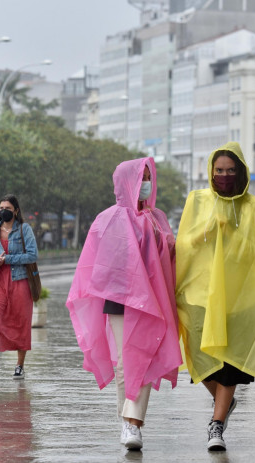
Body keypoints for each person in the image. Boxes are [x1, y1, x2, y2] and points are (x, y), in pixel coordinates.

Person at [175, 142, 255, 451]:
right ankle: (224, 404)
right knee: (198, 356)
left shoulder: (253, 207)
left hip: (238, 300)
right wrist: (208, 231)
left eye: (230, 170)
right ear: (210, 172)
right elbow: (184, 244)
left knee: (228, 363)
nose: (224, 176)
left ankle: (216, 426)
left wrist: (234, 237)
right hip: (199, 296)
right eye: (219, 171)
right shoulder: (197, 201)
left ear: (240, 172)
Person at [66, 158, 180, 451]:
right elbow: (101, 263)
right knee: (123, 364)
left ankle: (134, 422)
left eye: (148, 177)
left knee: (142, 359)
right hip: (119, 299)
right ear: (126, 181)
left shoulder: (157, 217)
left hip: (152, 301)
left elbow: (168, 256)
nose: (145, 183)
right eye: (140, 177)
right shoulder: (109, 219)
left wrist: (167, 243)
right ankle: (127, 421)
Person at [0, 194, 38, 381]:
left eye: (8, 209)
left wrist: (8, 259)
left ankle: (19, 366)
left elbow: (32, 255)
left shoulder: (24, 230)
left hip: (20, 281)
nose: (4, 211)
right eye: (1, 208)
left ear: (16, 211)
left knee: (21, 322)